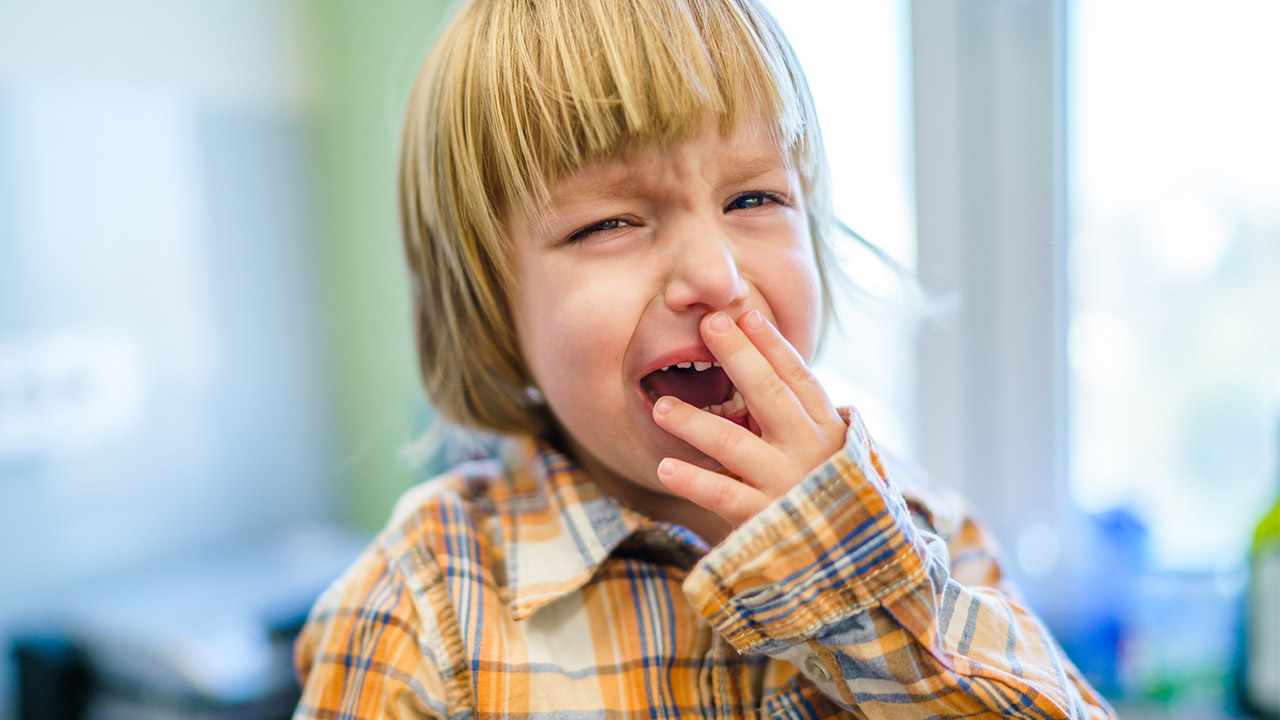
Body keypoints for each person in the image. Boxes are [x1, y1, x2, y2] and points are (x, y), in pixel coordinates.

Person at [293, 0, 1116, 717]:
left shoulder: (920, 524)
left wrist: (847, 567)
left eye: (754, 198)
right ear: (492, 307)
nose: (717, 277)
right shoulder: (421, 605)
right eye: (609, 222)